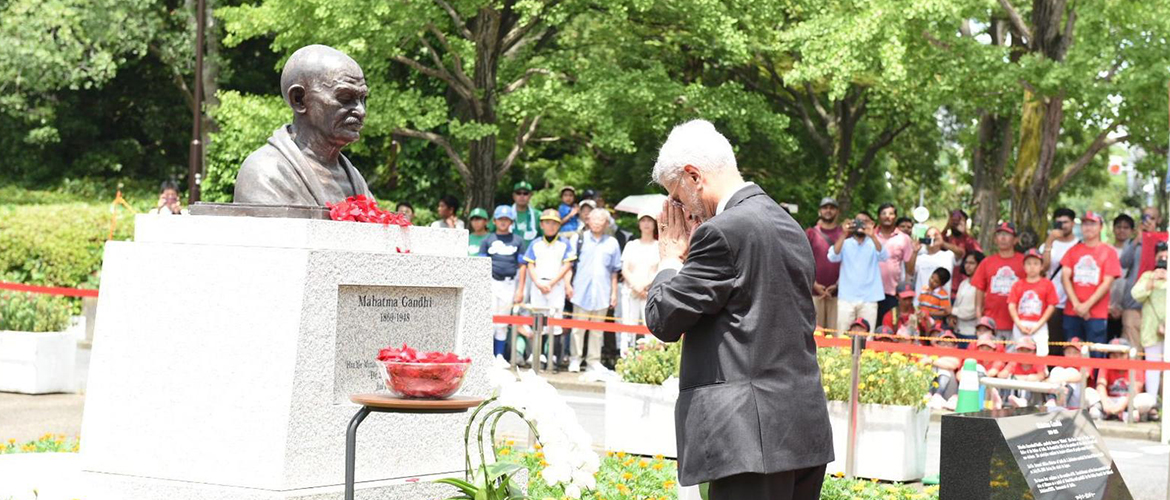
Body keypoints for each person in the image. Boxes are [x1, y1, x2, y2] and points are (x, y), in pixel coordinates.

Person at [644, 119, 832, 499]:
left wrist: (668, 260)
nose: (678, 210)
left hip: (746, 437)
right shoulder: (788, 223)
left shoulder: (722, 232)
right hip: (801, 427)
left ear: (694, 176)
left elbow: (663, 318)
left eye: (676, 198)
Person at [234, 45, 373, 206]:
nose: (361, 111)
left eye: (363, 99)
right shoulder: (265, 172)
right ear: (299, 99)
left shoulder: (354, 178)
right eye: (345, 98)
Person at [1061, 211, 1122, 356]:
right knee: (1070, 353)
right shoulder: (1073, 250)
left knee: (1095, 354)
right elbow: (1065, 277)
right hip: (1072, 311)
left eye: (1093, 224)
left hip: (1096, 314)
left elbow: (1107, 283)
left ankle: (1094, 379)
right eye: (1085, 224)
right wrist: (1077, 305)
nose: (1089, 228)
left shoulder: (1108, 252)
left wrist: (1086, 306)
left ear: (1100, 227)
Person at [520, 209, 576, 367]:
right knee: (538, 320)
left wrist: (552, 283)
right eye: (547, 223)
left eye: (554, 223)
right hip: (538, 285)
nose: (550, 226)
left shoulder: (564, 244)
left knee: (556, 321)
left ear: (559, 225)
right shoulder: (536, 243)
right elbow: (530, 263)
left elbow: (567, 264)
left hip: (555, 285)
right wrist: (538, 282)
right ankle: (538, 355)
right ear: (541, 224)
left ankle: (554, 355)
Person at [569, 209, 622, 373]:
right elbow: (568, 265)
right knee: (577, 328)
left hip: (602, 291)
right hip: (580, 290)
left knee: (597, 330)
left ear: (607, 223)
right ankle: (575, 359)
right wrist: (567, 285)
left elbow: (614, 271)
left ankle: (593, 360)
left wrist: (614, 293)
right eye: (595, 219)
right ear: (588, 221)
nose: (598, 222)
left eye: (602, 220)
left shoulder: (612, 243)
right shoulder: (578, 239)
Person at [479, 205, 527, 359]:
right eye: (500, 219)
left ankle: (499, 355)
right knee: (489, 320)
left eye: (506, 219)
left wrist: (520, 290)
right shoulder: (487, 239)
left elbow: (522, 266)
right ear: (494, 221)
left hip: (509, 283)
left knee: (503, 320)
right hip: (491, 283)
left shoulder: (518, 240)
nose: (503, 222)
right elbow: (480, 266)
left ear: (512, 221)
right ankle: (487, 356)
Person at [828, 212, 887, 334]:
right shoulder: (845, 243)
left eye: (865, 222)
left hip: (869, 297)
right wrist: (844, 234)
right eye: (858, 221)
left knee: (867, 336)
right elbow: (833, 256)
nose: (861, 225)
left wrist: (873, 236)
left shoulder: (874, 243)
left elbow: (884, 256)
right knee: (842, 334)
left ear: (871, 224)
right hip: (846, 297)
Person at [971, 222, 1026, 342]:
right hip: (991, 322)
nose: (1003, 238)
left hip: (1018, 323)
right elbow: (979, 290)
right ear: (995, 239)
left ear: (1015, 239)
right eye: (1000, 234)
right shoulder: (987, 262)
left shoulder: (1024, 262)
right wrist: (979, 316)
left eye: (1007, 234)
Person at [619, 211, 660, 356]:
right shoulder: (631, 245)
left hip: (650, 292)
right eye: (643, 220)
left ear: (655, 224)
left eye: (650, 220)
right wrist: (635, 286)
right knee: (628, 323)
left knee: (650, 326)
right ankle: (625, 358)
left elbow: (660, 270)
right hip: (631, 290)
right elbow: (625, 269)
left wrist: (644, 286)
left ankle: (651, 358)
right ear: (639, 224)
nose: (647, 223)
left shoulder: (659, 246)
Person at [1130, 241, 1167, 398]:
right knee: (1152, 366)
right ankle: (1151, 401)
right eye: (1161, 257)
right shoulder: (1147, 276)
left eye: (1167, 257)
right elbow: (1136, 294)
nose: (1164, 260)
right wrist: (1152, 281)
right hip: (1151, 330)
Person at [1087, 338, 1157, 421]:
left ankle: (1128, 412)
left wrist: (1120, 407)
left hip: (1128, 402)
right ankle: (1102, 411)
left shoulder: (1136, 365)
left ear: (1128, 355)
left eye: (1121, 354)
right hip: (1109, 400)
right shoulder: (1106, 364)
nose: (1117, 358)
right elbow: (1100, 386)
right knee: (1088, 392)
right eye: (1114, 355)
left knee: (1148, 398)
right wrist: (1106, 405)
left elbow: (1135, 389)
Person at [1007, 249, 1059, 356]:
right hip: (1021, 322)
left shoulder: (1047, 284)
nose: (1032, 267)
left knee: (1041, 352)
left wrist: (1039, 324)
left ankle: (1040, 371)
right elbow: (1011, 305)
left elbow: (1051, 306)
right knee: (1018, 351)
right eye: (1029, 263)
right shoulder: (1018, 285)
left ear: (1041, 266)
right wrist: (1019, 324)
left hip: (1039, 323)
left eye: (1036, 263)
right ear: (1024, 266)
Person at [1041, 208, 1078, 351]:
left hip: (1072, 302)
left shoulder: (1079, 244)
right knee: (1052, 343)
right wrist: (1049, 241)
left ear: (1073, 223)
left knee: (1070, 344)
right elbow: (1043, 268)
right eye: (1059, 222)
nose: (1062, 225)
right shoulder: (1048, 244)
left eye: (1066, 222)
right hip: (1052, 302)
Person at [806, 197, 843, 332]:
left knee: (836, 337)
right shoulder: (810, 233)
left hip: (839, 293)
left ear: (838, 212)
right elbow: (803, 261)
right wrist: (813, 284)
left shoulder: (844, 235)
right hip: (815, 292)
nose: (828, 210)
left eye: (832, 208)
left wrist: (837, 285)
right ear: (819, 211)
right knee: (815, 335)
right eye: (825, 207)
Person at [875, 204, 915, 323]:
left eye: (891, 214)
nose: (887, 217)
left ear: (896, 217)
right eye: (884, 213)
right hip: (870, 292)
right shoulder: (870, 236)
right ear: (878, 216)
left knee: (889, 327)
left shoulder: (904, 238)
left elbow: (910, 269)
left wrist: (915, 253)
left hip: (892, 292)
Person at [910, 227, 955, 307]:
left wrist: (943, 243)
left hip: (941, 305)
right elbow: (910, 272)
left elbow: (961, 253)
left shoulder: (949, 255)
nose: (932, 238)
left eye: (936, 235)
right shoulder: (920, 257)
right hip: (921, 304)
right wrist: (914, 252)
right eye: (928, 236)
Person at [1108, 214, 1135, 342]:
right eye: (1118, 227)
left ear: (1132, 231)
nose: (1122, 230)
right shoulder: (1107, 250)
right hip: (1107, 307)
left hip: (1128, 307)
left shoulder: (1136, 252)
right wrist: (1109, 307)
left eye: (1126, 227)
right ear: (1113, 229)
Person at [944, 209, 981, 292]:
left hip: (963, 286)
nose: (956, 223)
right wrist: (947, 226)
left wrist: (965, 233)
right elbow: (937, 242)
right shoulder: (946, 239)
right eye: (953, 220)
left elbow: (979, 257)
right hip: (945, 286)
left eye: (958, 221)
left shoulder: (969, 241)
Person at [952, 252, 984, 340]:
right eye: (966, 262)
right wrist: (952, 316)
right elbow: (957, 303)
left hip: (972, 332)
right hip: (958, 330)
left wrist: (952, 311)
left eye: (972, 263)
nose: (967, 266)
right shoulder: (963, 283)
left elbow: (973, 311)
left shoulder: (982, 286)